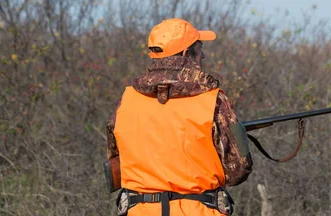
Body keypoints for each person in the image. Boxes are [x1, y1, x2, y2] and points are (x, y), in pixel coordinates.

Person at [105, 18, 253, 216]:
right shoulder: (212, 100)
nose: (204, 56)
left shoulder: (126, 101)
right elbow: (238, 170)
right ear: (186, 54)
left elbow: (116, 157)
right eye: (200, 51)